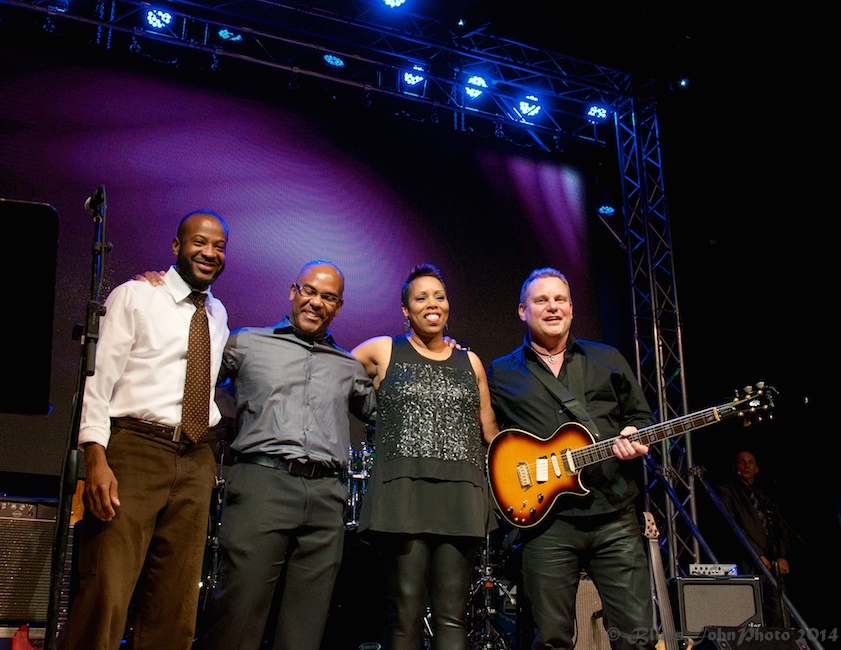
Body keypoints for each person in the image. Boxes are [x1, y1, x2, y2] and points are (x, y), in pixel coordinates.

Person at [59, 210, 230, 650]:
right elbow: (98, 381)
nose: (209, 253)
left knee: (175, 605)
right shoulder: (134, 296)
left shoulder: (218, 313)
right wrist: (95, 457)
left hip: (195, 457)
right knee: (107, 592)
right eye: (198, 243)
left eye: (218, 247)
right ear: (177, 247)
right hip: (136, 450)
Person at [200, 260, 378, 650]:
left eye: (328, 297)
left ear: (339, 306)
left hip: (326, 497)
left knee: (305, 626)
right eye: (309, 291)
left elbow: (384, 413)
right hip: (262, 487)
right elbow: (189, 376)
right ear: (293, 291)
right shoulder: (247, 343)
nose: (316, 302)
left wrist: (434, 353)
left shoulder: (348, 366)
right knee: (238, 615)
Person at [485, 267, 657, 650]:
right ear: (522, 311)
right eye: (541, 300)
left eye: (560, 299)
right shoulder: (501, 372)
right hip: (548, 525)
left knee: (637, 638)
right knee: (549, 640)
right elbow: (491, 442)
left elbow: (640, 419)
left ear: (572, 308)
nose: (552, 307)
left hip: (614, 515)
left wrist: (635, 437)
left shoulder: (607, 358)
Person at [351, 263, 499, 650]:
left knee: (453, 618)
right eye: (421, 297)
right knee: (405, 615)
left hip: (462, 498)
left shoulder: (471, 362)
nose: (432, 304)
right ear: (405, 309)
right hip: (403, 497)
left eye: (439, 296)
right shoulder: (384, 350)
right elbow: (332, 374)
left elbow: (491, 434)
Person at [717, 450, 791, 628]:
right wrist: (756, 555)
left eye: (750, 462)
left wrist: (781, 556)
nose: (747, 465)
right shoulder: (727, 492)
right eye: (742, 462)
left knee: (780, 615)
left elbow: (780, 528)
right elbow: (733, 528)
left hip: (772, 565)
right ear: (735, 467)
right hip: (747, 563)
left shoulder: (764, 495)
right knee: (751, 617)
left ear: (757, 468)